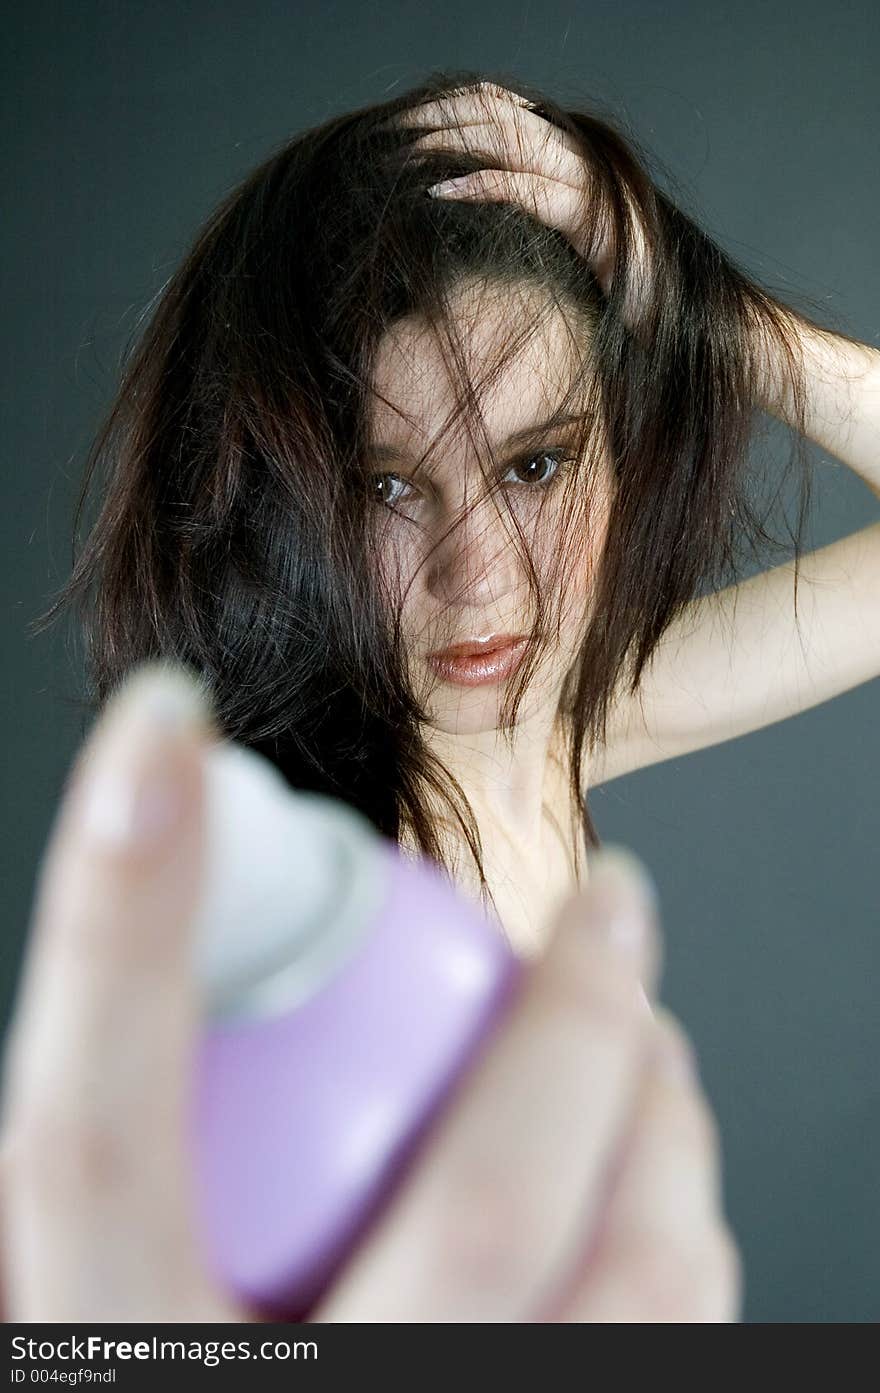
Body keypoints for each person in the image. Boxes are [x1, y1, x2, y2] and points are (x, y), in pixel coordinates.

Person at [14, 68, 880, 1316]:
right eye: (388, 486)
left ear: (614, 451)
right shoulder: (328, 902)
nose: (478, 583)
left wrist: (697, 308)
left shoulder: (548, 727)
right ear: (289, 497)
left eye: (535, 464)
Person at [0, 661, 738, 1322]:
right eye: (389, 495)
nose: (478, 568)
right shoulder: (407, 847)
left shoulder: (556, 732)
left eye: (529, 494)